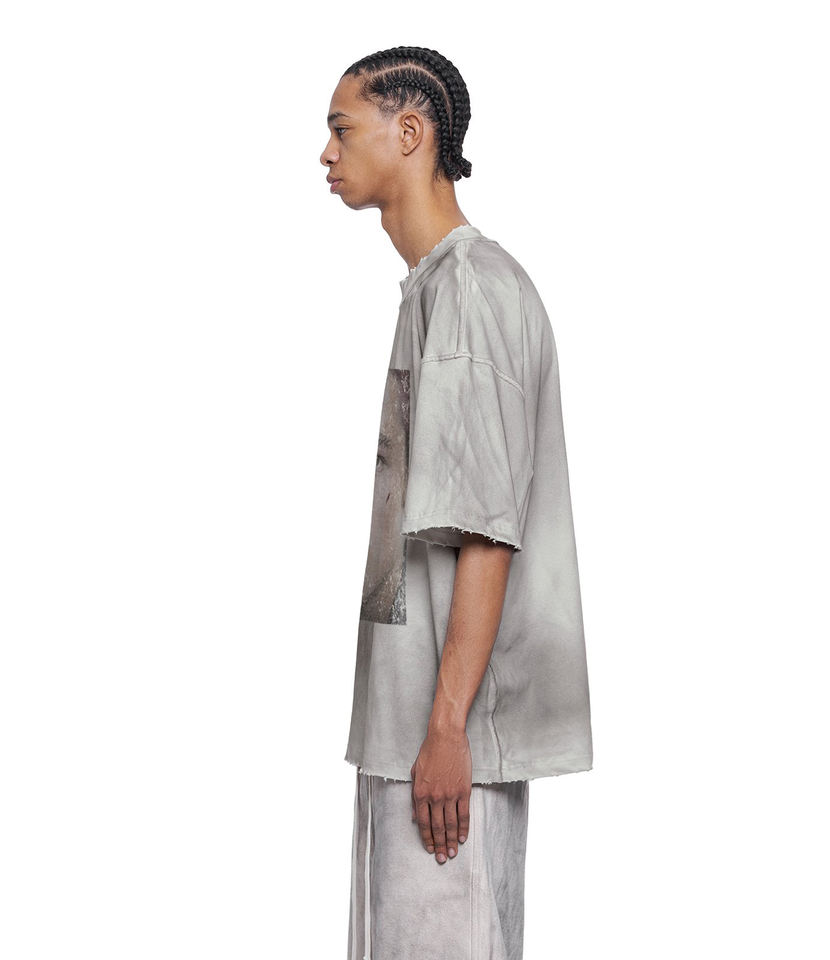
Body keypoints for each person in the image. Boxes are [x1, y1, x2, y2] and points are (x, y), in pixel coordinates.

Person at [321, 46, 594, 960]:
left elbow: (486, 532)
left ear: (410, 132)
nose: (326, 153)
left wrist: (444, 730)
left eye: (341, 129)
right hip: (411, 738)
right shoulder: (436, 290)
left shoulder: (470, 292)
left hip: (445, 750)